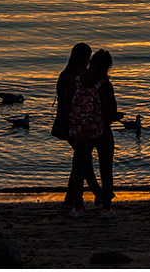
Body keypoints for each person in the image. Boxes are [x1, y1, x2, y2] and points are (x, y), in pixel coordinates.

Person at [67, 48, 121, 218]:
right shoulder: (105, 85)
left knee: (79, 169)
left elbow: (70, 106)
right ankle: (106, 208)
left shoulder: (78, 82)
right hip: (103, 131)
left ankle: (78, 207)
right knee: (106, 169)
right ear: (107, 67)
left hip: (81, 131)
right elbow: (111, 111)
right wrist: (116, 117)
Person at [53, 43, 101, 209]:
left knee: (81, 159)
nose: (88, 61)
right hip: (76, 124)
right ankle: (97, 194)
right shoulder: (79, 77)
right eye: (87, 57)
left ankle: (71, 196)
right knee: (83, 160)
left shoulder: (65, 74)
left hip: (67, 122)